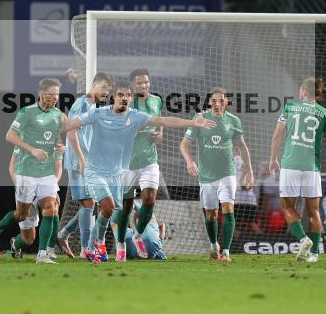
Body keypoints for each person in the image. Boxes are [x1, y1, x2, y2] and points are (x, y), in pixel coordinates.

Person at [62, 80, 215, 263]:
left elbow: (164, 120)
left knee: (109, 210)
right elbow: (69, 126)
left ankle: (100, 243)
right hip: (95, 170)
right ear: (113, 97)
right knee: (106, 206)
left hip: (117, 173)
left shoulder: (135, 116)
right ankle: (96, 245)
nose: (124, 98)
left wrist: (193, 122)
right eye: (120, 95)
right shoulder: (98, 113)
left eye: (127, 95)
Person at [269, 78, 326, 263]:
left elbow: (277, 134)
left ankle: (303, 239)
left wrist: (272, 159)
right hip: (312, 168)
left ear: (303, 91)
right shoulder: (325, 113)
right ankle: (314, 254)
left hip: (291, 165)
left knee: (287, 206)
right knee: (314, 212)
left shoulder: (290, 107)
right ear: (318, 93)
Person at [180, 87, 253, 261]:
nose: (217, 104)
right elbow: (184, 144)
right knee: (211, 214)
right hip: (206, 175)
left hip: (228, 172)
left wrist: (249, 170)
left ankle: (226, 252)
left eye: (221, 101)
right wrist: (189, 161)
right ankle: (214, 244)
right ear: (209, 102)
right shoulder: (200, 119)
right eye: (214, 101)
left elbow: (242, 147)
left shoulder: (234, 121)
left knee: (228, 209)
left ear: (227, 102)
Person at [4, 78, 67, 264]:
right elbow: (9, 136)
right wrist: (32, 150)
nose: (54, 98)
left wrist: (62, 149)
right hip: (26, 174)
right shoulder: (27, 112)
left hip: (46, 175)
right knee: (23, 222)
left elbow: (66, 136)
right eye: (50, 94)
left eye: (56, 95)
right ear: (40, 94)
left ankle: (42, 255)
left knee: (50, 207)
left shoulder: (58, 116)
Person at [56, 72, 113, 258]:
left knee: (91, 204)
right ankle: (85, 250)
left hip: (89, 161)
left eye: (108, 89)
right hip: (78, 161)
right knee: (88, 204)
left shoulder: (93, 105)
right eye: (103, 87)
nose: (106, 92)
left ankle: (64, 234)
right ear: (94, 84)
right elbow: (71, 132)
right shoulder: (81, 104)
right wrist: (81, 159)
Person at [122, 69, 164, 259]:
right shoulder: (126, 103)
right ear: (132, 85)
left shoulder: (156, 100)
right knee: (124, 208)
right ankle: (119, 244)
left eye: (146, 82)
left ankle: (138, 235)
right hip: (127, 163)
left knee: (149, 199)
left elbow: (159, 120)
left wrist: (159, 133)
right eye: (139, 83)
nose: (143, 85)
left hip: (149, 161)